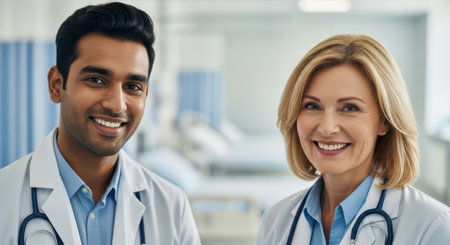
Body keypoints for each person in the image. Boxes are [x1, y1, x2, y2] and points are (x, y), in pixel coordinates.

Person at [0, 2, 201, 245]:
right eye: (96, 80)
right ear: (56, 85)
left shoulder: (171, 207)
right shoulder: (5, 196)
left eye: (133, 87)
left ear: (146, 95)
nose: (117, 105)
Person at [256, 34, 450, 244]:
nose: (327, 128)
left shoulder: (432, 226)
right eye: (312, 106)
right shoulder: (276, 220)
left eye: (350, 108)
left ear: (385, 121)